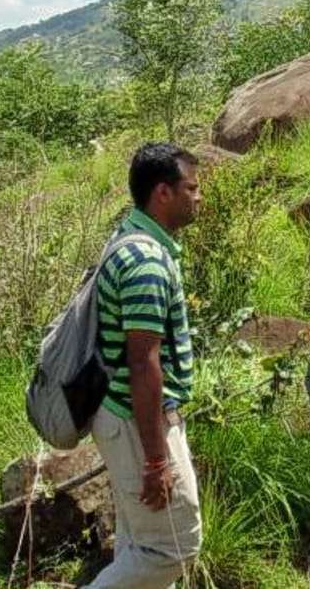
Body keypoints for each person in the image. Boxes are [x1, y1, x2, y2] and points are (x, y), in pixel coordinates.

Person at [87, 142, 204, 589]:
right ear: (163, 192)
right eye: (190, 188)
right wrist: (157, 460)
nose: (198, 197)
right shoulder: (147, 262)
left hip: (126, 416)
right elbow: (143, 362)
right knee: (172, 548)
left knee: (139, 544)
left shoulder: (132, 238)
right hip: (138, 422)